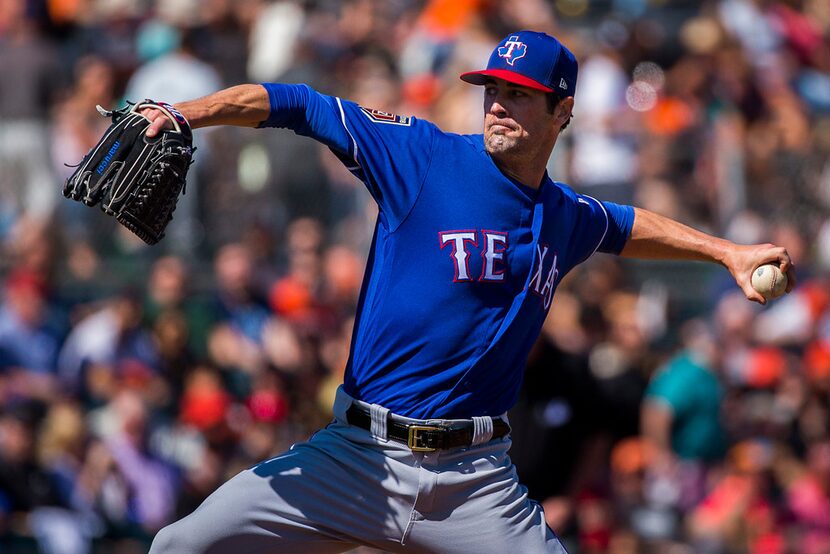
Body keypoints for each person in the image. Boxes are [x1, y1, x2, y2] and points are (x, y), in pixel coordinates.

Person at [145, 31, 795, 553]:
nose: (498, 105)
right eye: (492, 90)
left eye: (519, 95)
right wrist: (187, 114)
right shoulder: (421, 157)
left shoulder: (562, 215)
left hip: (475, 480)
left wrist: (727, 252)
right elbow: (299, 104)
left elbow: (626, 225)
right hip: (358, 457)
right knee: (182, 544)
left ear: (562, 112)